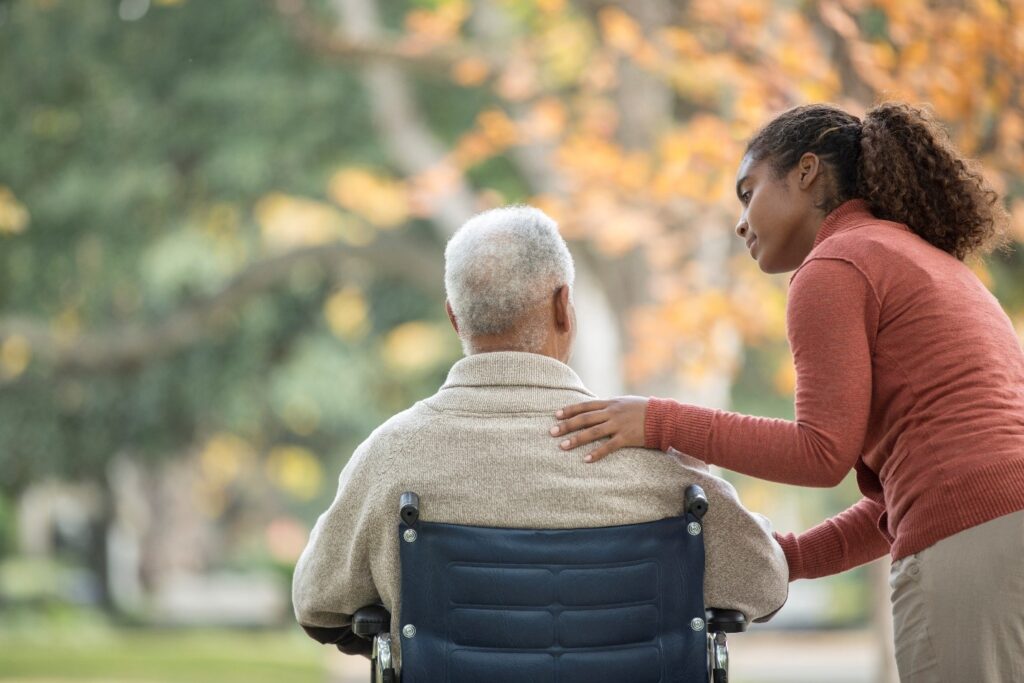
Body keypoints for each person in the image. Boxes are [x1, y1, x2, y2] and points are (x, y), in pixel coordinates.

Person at [550, 102, 1024, 682]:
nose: (741, 221)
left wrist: (658, 421)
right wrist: (788, 558)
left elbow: (821, 453)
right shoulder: (928, 262)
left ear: (806, 172)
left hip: (974, 547)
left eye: (747, 192)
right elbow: (902, 499)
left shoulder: (835, 265)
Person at [292, 205, 789, 667]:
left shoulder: (391, 457)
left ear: (453, 317)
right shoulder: (663, 464)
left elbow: (317, 602)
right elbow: (764, 582)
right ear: (563, 307)